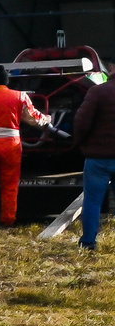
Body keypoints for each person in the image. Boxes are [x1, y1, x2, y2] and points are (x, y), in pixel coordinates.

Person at [0, 79, 61, 227]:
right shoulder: (20, 97)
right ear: (7, 83)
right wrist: (47, 119)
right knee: (10, 184)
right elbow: (34, 118)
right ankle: (8, 220)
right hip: (11, 144)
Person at [72, 72, 114, 250]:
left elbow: (81, 122)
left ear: (111, 68)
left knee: (93, 201)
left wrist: (79, 143)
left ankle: (89, 242)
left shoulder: (97, 92)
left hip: (98, 158)